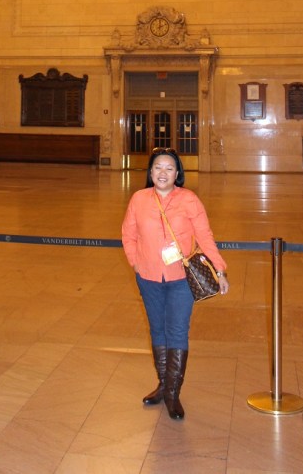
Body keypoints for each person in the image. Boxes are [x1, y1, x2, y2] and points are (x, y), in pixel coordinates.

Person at [121, 147, 229, 420]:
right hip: (148, 277)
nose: (163, 173)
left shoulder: (189, 200)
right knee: (157, 329)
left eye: (169, 168)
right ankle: (163, 385)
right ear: (150, 171)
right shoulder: (139, 199)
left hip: (181, 278)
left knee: (177, 331)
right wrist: (136, 261)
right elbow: (128, 233)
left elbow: (205, 236)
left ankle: (172, 394)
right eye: (158, 167)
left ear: (177, 173)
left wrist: (219, 269)